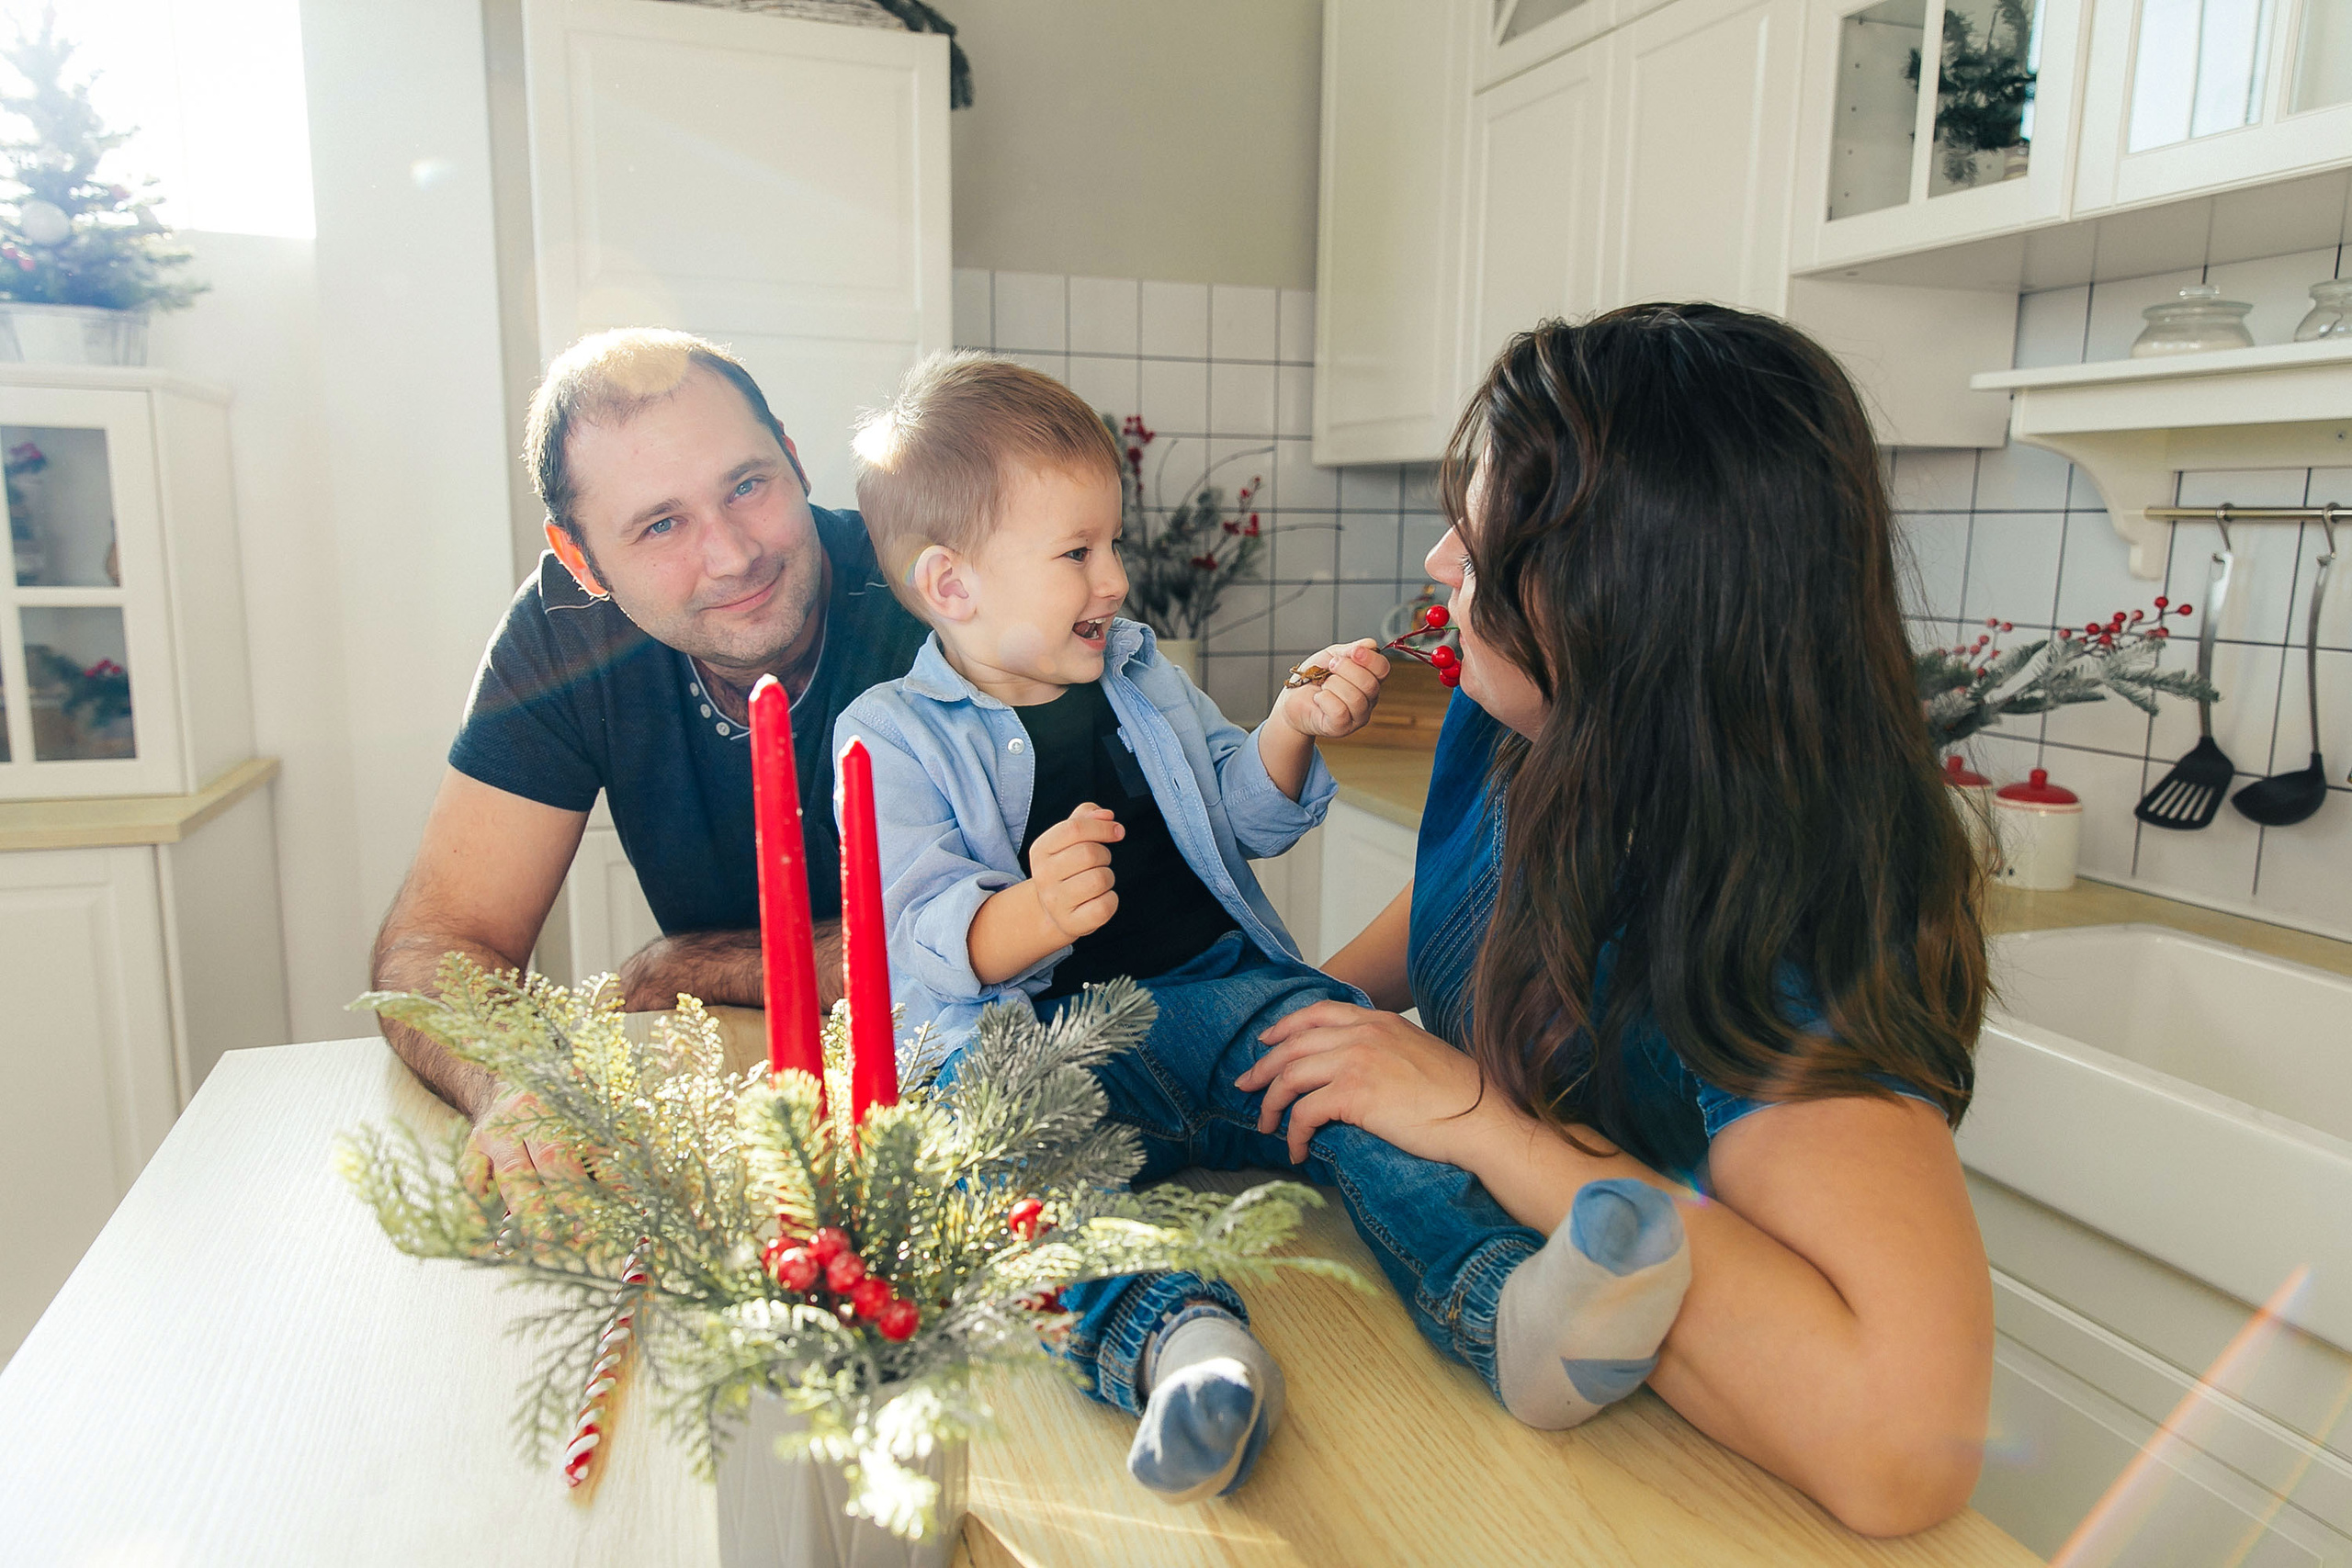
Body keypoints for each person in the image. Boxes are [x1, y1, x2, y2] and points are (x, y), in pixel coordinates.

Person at [834, 354, 1693, 1505]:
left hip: (1218, 1000)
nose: (1115, 577)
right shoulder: (888, 736)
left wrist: (1288, 726)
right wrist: (1028, 915)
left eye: (1113, 543)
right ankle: (1181, 1347)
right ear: (952, 586)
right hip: (1049, 1056)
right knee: (986, 1165)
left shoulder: (1140, 676)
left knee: (1366, 1080)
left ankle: (1502, 1306)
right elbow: (913, 931)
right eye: (1078, 553)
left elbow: (1242, 808)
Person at [1238, 305, 1996, 1536]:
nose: (1438, 559)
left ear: (1622, 597)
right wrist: (1299, 1016)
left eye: (1481, 542)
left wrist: (1474, 1114)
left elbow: (1907, 1447)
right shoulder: (1525, 720)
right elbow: (1463, 899)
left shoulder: (1790, 935)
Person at [371, 329, 928, 1207]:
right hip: (745, 1123)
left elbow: (1046, 931)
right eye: (661, 524)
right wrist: (522, 1085)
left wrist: (692, 967)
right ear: (582, 560)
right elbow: (435, 939)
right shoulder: (563, 631)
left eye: (748, 484)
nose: (733, 553)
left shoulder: (934, 587)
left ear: (792, 454)